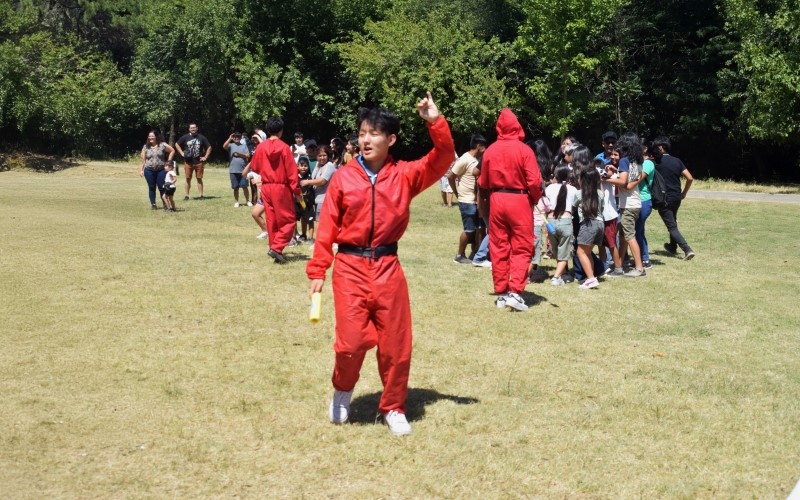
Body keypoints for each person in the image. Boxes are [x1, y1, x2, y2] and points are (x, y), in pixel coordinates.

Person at [307, 92, 454, 436]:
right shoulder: (343, 177)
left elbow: (444, 155)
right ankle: (342, 391)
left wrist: (435, 120)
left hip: (388, 267)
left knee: (396, 344)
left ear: (391, 140)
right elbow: (326, 226)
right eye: (361, 133)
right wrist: (318, 270)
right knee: (351, 342)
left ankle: (393, 406)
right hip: (350, 267)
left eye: (373, 133)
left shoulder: (405, 175)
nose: (365, 139)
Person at [477, 108, 543, 311]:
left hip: (497, 199)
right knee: (522, 247)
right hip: (519, 199)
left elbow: (484, 181)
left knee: (498, 247)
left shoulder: (491, 150)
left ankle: (502, 293)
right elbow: (534, 181)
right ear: (517, 126)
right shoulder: (524, 150)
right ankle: (515, 291)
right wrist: (535, 198)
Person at [248, 116, 301, 264]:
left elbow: (256, 167)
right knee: (289, 220)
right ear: (281, 131)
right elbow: (291, 173)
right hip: (281, 187)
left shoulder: (261, 147)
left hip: (266, 187)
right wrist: (297, 191)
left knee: (272, 221)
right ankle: (277, 248)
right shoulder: (284, 147)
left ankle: (274, 248)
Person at [606, 133, 646, 277]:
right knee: (623, 236)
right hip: (635, 203)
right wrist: (617, 173)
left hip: (628, 205)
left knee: (629, 236)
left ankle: (639, 268)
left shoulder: (624, 160)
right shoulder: (637, 161)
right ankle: (620, 265)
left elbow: (623, 183)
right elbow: (629, 181)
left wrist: (605, 178)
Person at [652, 136, 695, 260]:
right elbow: (690, 178)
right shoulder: (677, 161)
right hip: (677, 196)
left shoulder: (656, 162)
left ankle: (687, 249)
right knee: (673, 220)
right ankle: (672, 246)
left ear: (660, 147)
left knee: (671, 225)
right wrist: (684, 193)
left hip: (663, 198)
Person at [447, 134, 487, 264]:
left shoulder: (478, 159)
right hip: (467, 200)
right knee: (469, 230)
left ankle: (476, 254)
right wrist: (457, 193)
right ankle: (459, 255)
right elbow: (451, 176)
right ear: (478, 146)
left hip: (478, 200)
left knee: (481, 228)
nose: (485, 149)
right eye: (484, 146)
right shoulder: (465, 159)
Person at [572, 157, 605, 289]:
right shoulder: (600, 194)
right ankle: (590, 276)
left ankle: (591, 279)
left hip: (588, 224)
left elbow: (573, 207)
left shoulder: (579, 194)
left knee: (580, 252)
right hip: (600, 224)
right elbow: (602, 208)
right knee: (588, 252)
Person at [544, 165, 577, 286]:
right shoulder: (572, 189)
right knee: (565, 251)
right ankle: (556, 277)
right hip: (565, 221)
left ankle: (562, 273)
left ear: (555, 176)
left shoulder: (549, 188)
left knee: (557, 250)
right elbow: (575, 204)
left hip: (551, 221)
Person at [174, 123, 211, 201]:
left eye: (194, 127)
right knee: (188, 178)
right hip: (188, 162)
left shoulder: (202, 137)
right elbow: (177, 144)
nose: (193, 129)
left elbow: (209, 147)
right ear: (189, 129)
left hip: (199, 162)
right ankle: (186, 196)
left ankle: (201, 195)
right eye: (191, 128)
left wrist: (205, 157)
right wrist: (181, 153)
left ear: (197, 128)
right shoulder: (185, 137)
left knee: (199, 178)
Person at [139, 131, 175, 209]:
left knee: (162, 187)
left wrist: (168, 162)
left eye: (152, 136)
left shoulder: (162, 145)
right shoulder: (145, 147)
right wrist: (141, 170)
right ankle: (153, 204)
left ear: (156, 137)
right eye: (149, 136)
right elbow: (143, 160)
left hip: (161, 170)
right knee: (151, 187)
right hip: (149, 170)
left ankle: (165, 204)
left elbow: (172, 150)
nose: (150, 138)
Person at [223, 132, 252, 208]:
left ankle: (248, 201)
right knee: (235, 187)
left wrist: (238, 154)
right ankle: (236, 202)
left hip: (243, 170)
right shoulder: (231, 145)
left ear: (240, 138)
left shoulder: (244, 146)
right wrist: (230, 138)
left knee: (244, 186)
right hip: (233, 170)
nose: (236, 138)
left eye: (238, 137)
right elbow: (224, 146)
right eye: (235, 137)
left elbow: (248, 156)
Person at [296, 156, 315, 242]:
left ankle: (310, 237)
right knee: (301, 219)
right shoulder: (295, 177)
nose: (303, 168)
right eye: (301, 165)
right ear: (297, 166)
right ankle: (303, 235)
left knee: (310, 220)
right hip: (297, 202)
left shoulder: (310, 177)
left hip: (308, 203)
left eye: (305, 166)